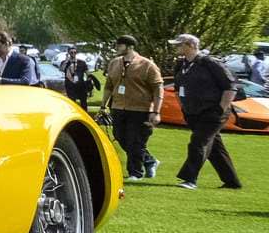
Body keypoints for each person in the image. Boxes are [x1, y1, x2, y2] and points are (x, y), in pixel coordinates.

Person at [172, 34, 244, 190]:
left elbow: (230, 87)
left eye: (179, 44)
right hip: (193, 112)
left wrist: (220, 109)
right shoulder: (181, 64)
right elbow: (177, 89)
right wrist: (184, 108)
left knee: (198, 142)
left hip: (213, 111)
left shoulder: (210, 63)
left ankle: (189, 179)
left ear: (190, 45)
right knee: (215, 148)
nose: (176, 47)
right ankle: (232, 182)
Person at [104, 35, 163, 181]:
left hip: (140, 109)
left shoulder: (147, 65)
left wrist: (156, 111)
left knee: (135, 141)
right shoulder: (114, 63)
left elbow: (158, 88)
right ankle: (149, 160)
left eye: (119, 45)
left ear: (129, 47)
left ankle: (135, 173)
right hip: (118, 107)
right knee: (119, 136)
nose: (116, 48)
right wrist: (103, 105)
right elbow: (109, 86)